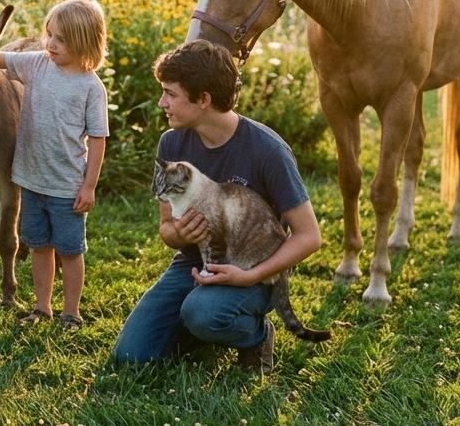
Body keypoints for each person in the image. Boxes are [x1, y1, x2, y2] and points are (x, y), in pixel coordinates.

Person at [112, 39, 322, 371]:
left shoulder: (267, 150)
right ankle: (206, 324)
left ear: (204, 99)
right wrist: (180, 234)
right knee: (132, 357)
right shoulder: (172, 142)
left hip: (255, 267)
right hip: (195, 262)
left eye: (170, 94)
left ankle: (253, 334)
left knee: (203, 314)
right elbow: (166, 229)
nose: (161, 102)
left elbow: (309, 236)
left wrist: (248, 275)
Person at [0, 0, 109, 329]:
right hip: (30, 181)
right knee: (39, 247)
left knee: (69, 251)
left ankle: (71, 312)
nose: (50, 43)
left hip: (67, 188)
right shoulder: (37, 63)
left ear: (85, 43)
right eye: (49, 34)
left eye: (61, 39)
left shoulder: (90, 88)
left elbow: (98, 140)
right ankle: (42, 308)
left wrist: (89, 186)